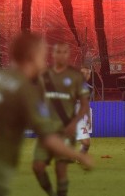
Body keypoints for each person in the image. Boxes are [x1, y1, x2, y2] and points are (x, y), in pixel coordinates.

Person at [0, 33, 93, 196]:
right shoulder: (24, 89)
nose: (44, 63)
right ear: (31, 57)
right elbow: (48, 138)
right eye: (42, 56)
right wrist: (80, 156)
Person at [32, 43, 90, 196]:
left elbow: (84, 105)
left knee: (60, 169)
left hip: (65, 129)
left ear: (68, 55)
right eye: (58, 51)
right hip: (46, 131)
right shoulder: (44, 76)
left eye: (65, 52)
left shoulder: (75, 77)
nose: (61, 55)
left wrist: (74, 123)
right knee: (37, 167)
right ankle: (51, 192)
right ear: (53, 54)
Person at [75, 67, 94, 155]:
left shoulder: (89, 89)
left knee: (86, 143)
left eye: (87, 73)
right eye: (83, 73)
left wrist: (89, 118)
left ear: (89, 76)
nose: (85, 75)